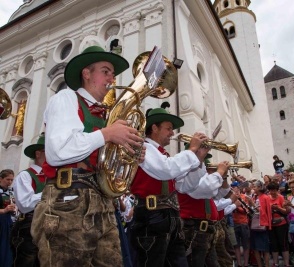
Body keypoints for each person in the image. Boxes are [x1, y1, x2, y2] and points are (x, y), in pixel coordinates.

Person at [31, 45, 145, 267]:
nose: (112, 78)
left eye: (113, 73)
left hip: (102, 202)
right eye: (106, 71)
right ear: (86, 73)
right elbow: (57, 152)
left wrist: (129, 155)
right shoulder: (66, 98)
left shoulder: (106, 115)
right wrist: (107, 134)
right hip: (68, 200)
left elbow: (104, 164)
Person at [130, 107, 215, 267]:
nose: (172, 133)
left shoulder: (163, 155)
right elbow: (166, 170)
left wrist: (199, 158)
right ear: (154, 128)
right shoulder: (143, 148)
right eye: (168, 128)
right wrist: (191, 150)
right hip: (151, 216)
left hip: (170, 216)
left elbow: (184, 186)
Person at [178, 153, 231, 267]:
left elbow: (220, 194)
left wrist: (224, 176)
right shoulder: (189, 177)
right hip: (194, 228)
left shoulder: (206, 179)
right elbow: (205, 188)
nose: (207, 166)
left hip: (207, 228)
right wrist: (219, 172)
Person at [11, 133, 46, 267]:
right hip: (29, 226)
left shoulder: (53, 176)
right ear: (38, 154)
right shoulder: (25, 175)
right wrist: (50, 192)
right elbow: (25, 204)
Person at [267, 182, 290, 267]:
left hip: (281, 223)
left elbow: (286, 211)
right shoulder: (267, 198)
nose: (272, 192)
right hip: (271, 224)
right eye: (271, 190)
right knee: (273, 243)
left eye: (274, 190)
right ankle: (275, 263)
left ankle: (286, 263)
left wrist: (278, 208)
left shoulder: (281, 198)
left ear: (277, 190)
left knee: (283, 243)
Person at [250, 180, 272, 267]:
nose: (253, 188)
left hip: (263, 224)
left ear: (259, 187)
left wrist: (253, 205)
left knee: (265, 248)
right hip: (254, 223)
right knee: (255, 248)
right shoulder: (254, 197)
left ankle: (266, 265)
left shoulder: (265, 197)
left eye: (255, 186)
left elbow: (266, 212)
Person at [0, 169, 15, 267]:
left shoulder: (11, 192)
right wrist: (4, 210)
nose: (9, 182)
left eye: (11, 180)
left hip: (8, 222)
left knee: (6, 249)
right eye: (7, 179)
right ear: (0, 179)